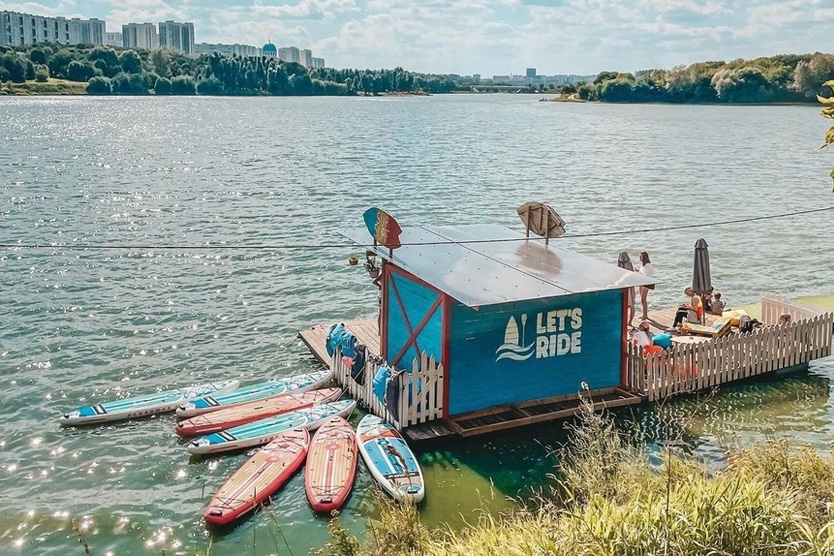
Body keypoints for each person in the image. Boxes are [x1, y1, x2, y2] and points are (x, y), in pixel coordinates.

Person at [617, 252, 635, 326]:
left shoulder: (619, 265)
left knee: (624, 305)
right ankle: (630, 321)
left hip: (623, 287)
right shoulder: (629, 264)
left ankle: (624, 321)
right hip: (630, 287)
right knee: (631, 305)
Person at [637, 252, 654, 321]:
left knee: (643, 299)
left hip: (647, 283)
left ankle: (645, 316)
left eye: (641, 257)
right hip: (642, 282)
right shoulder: (642, 264)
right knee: (642, 300)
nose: (640, 258)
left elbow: (647, 275)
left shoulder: (648, 265)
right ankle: (644, 314)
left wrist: (639, 271)